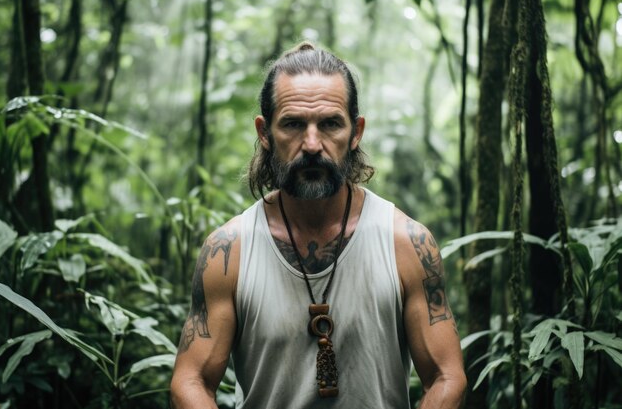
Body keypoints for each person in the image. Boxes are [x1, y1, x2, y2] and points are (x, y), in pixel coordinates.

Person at [170, 42, 466, 409]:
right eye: (293, 124)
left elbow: (447, 376)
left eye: (330, 124)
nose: (312, 144)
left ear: (355, 132)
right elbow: (191, 380)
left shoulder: (406, 243)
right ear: (265, 133)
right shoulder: (228, 252)